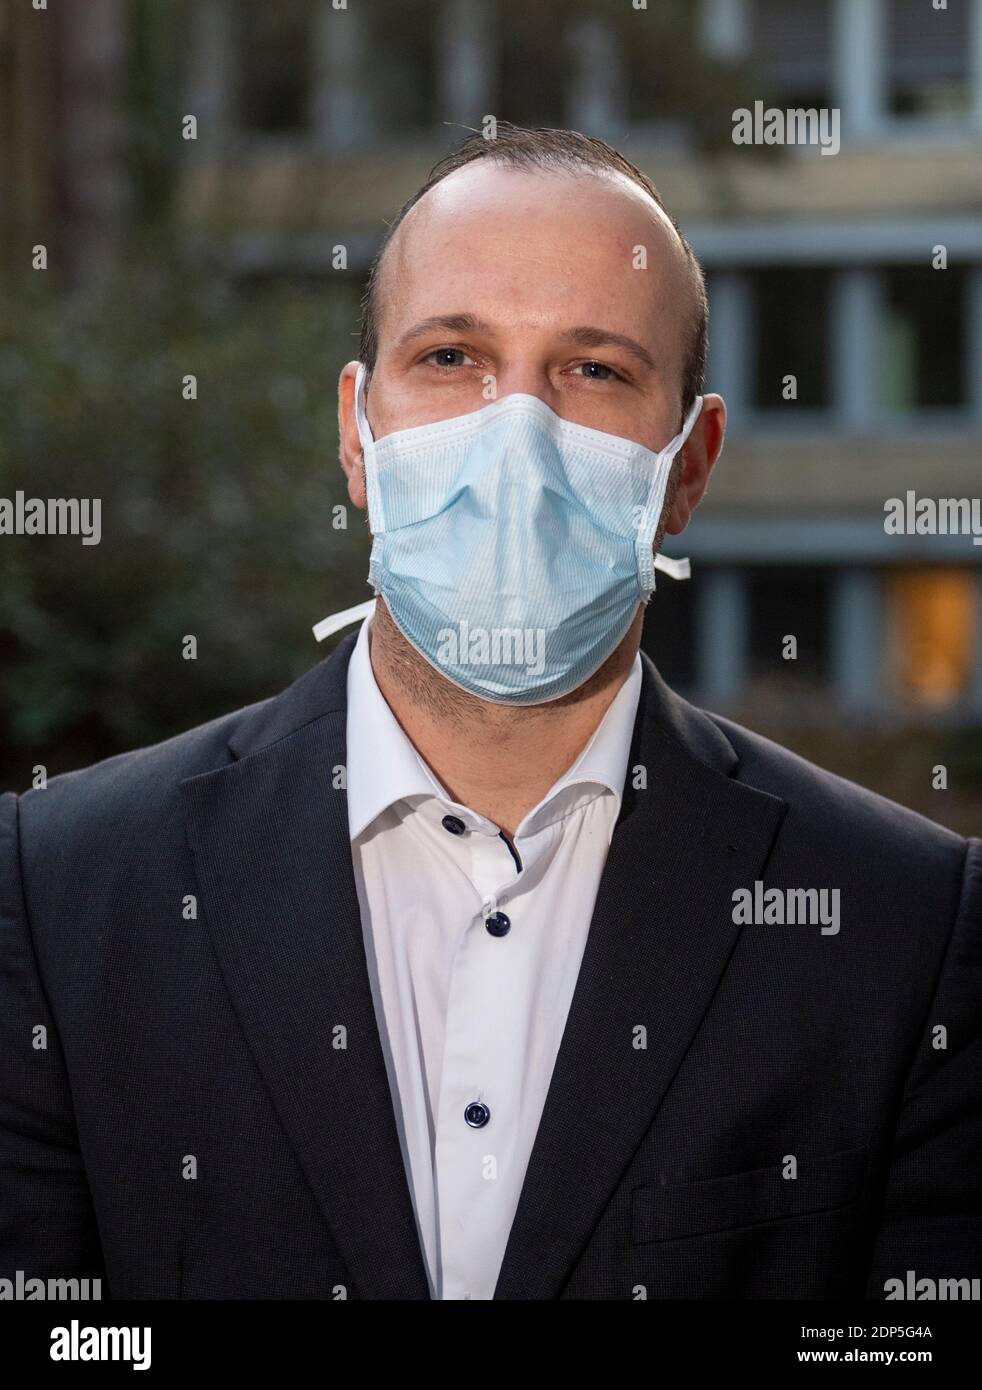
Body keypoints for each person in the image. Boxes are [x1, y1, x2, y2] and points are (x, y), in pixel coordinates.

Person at [1, 124, 979, 1301]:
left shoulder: (908, 930)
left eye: (596, 370)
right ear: (357, 437)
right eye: (453, 356)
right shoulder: (62, 892)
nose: (515, 434)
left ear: (690, 463)